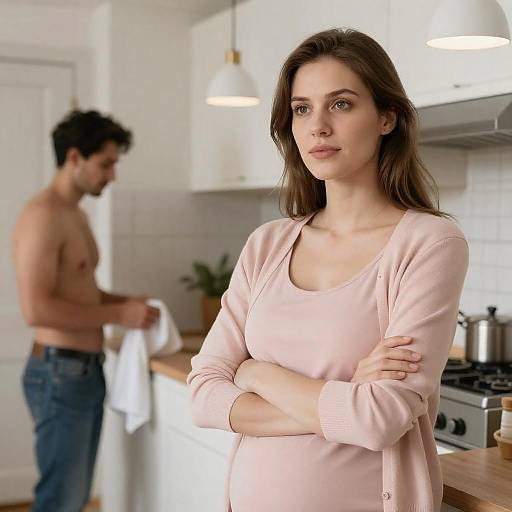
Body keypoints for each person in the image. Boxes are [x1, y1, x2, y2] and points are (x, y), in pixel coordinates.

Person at [187, 28, 469, 512]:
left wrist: (256, 372)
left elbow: (378, 420)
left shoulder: (429, 243)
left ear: (386, 117)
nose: (317, 126)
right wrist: (343, 400)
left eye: (340, 104)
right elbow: (203, 396)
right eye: (301, 108)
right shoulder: (267, 245)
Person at [12, 110, 160, 512]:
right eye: (106, 164)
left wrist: (127, 304)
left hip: (81, 370)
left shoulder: (74, 214)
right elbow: (36, 309)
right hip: (60, 373)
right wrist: (118, 316)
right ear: (75, 157)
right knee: (60, 499)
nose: (112, 175)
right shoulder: (43, 216)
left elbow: (84, 293)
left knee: (72, 498)